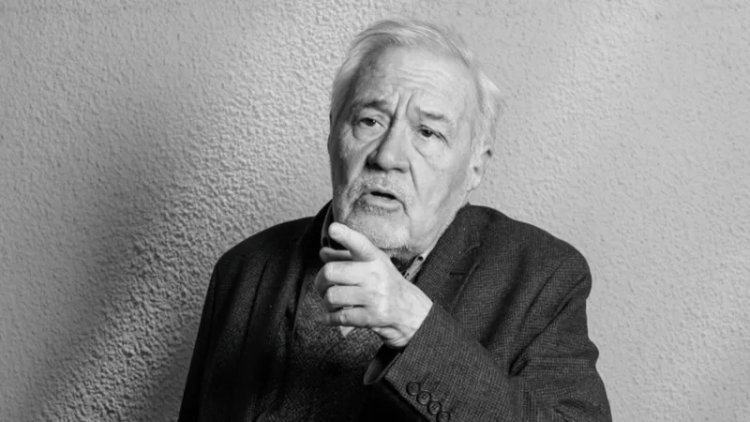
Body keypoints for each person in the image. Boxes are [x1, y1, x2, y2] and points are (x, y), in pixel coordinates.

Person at [178, 18, 611, 422]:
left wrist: (413, 325)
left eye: (428, 133)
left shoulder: (541, 277)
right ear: (332, 132)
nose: (387, 157)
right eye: (370, 120)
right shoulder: (243, 270)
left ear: (475, 168)